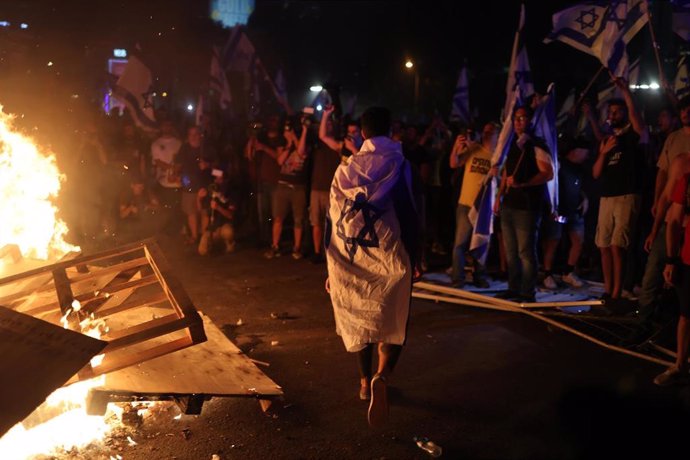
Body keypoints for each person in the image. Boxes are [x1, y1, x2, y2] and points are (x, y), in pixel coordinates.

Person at [325, 106, 421, 427]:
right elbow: (410, 215)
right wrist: (418, 257)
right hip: (390, 254)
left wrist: (331, 268)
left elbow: (333, 220)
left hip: (351, 257)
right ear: (390, 130)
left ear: (362, 133)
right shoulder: (400, 164)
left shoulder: (344, 171)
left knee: (359, 318)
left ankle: (365, 382)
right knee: (393, 319)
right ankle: (383, 375)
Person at [592, 78, 647, 305]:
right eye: (611, 112)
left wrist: (625, 92)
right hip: (607, 197)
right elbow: (596, 173)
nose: (613, 115)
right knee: (603, 245)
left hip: (626, 196)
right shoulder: (607, 140)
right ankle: (608, 290)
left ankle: (617, 293)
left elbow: (638, 123)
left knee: (617, 246)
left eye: (617, 112)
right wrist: (604, 153)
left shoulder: (632, 136)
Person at [494, 105, 554, 302]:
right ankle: (513, 287)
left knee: (525, 252)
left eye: (523, 118)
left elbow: (547, 173)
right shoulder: (512, 143)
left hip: (526, 206)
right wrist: (498, 196)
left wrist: (524, 183)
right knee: (511, 252)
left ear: (530, 120)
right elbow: (505, 173)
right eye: (516, 119)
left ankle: (527, 292)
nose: (519, 122)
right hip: (509, 204)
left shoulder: (536, 145)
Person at [448, 122, 496, 288]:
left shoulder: (498, 157)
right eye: (485, 131)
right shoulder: (474, 149)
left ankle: (479, 276)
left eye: (491, 131)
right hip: (466, 204)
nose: (487, 134)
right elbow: (454, 163)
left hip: (485, 208)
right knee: (460, 244)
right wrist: (456, 147)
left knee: (481, 243)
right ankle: (457, 279)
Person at [541, 137, 590, 290]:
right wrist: (550, 207)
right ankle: (547, 274)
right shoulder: (559, 164)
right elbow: (549, 185)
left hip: (574, 210)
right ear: (576, 151)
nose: (587, 156)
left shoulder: (579, 169)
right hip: (557, 210)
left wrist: (584, 198)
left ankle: (568, 272)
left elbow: (577, 186)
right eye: (585, 152)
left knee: (578, 240)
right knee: (553, 241)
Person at [656, 172, 690, 385]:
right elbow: (675, 220)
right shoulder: (687, 178)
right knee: (686, 314)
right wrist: (671, 259)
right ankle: (680, 365)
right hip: (688, 258)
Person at [312, 106, 358, 263]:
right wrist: (326, 115)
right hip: (342, 192)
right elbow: (323, 136)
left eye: (355, 133)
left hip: (356, 194)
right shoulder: (342, 147)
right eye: (349, 133)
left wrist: (354, 149)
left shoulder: (363, 149)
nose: (352, 136)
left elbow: (364, 164)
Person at [265, 118, 310, 259]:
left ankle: (296, 248)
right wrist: (289, 144)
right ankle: (275, 246)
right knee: (278, 217)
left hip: (298, 187)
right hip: (283, 185)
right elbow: (280, 161)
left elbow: (302, 153)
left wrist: (296, 138)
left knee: (298, 219)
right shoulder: (283, 143)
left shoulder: (305, 141)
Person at [245, 115, 286, 247]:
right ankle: (264, 239)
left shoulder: (280, 139)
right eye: (271, 121)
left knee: (275, 214)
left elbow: (279, 158)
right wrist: (252, 138)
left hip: (275, 181)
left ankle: (274, 240)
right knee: (263, 213)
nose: (272, 124)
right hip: (262, 182)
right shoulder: (261, 139)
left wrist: (264, 148)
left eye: (274, 121)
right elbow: (248, 156)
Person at [178, 126, 213, 245]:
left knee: (203, 212)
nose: (193, 137)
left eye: (195, 134)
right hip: (190, 185)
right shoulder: (184, 149)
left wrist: (207, 165)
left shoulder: (207, 149)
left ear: (200, 135)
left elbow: (218, 166)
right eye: (190, 134)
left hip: (204, 185)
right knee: (191, 212)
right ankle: (194, 236)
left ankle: (204, 236)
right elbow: (180, 165)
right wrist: (183, 180)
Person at [198, 168, 236, 255]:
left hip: (224, 226)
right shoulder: (211, 192)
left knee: (228, 232)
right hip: (212, 228)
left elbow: (230, 215)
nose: (217, 181)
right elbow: (201, 210)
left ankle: (229, 243)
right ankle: (215, 244)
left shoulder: (231, 193)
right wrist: (199, 198)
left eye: (220, 178)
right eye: (215, 178)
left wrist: (218, 207)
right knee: (202, 251)